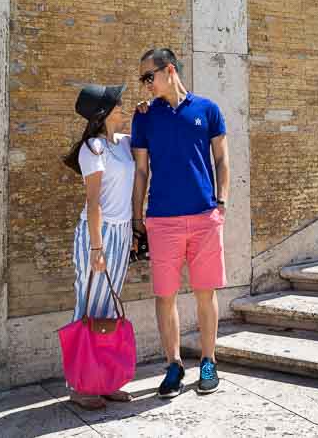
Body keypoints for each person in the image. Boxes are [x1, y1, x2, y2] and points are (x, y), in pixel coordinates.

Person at [131, 48, 229, 397]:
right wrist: (136, 216)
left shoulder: (208, 110)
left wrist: (220, 203)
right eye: (142, 79)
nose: (145, 85)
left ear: (169, 70)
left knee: (206, 293)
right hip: (162, 220)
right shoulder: (143, 117)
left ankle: (208, 361)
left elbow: (221, 160)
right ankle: (173, 365)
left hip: (204, 216)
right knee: (165, 295)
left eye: (148, 77)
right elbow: (141, 170)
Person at [62, 83, 136, 410]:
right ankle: (79, 384)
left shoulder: (122, 144)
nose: (124, 108)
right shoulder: (92, 148)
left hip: (121, 232)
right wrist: (96, 247)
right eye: (118, 105)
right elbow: (93, 202)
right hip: (98, 233)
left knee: (108, 308)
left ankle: (104, 380)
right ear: (103, 114)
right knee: (88, 306)